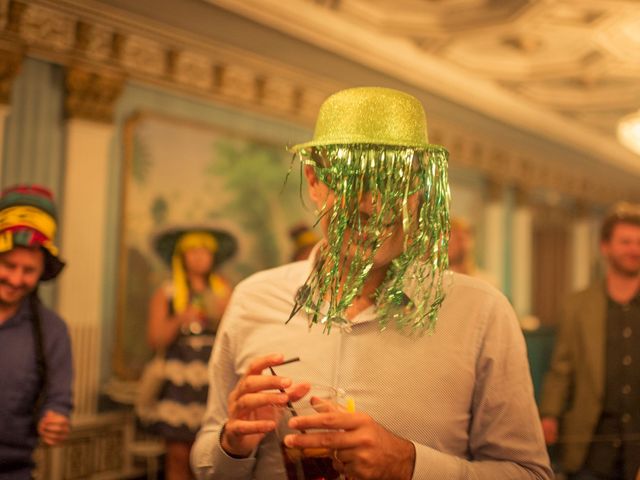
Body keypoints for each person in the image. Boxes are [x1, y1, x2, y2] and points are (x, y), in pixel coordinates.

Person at [191, 86, 552, 479]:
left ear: (419, 192)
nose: (373, 206)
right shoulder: (252, 300)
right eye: (354, 183)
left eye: (395, 183)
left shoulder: (481, 313)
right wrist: (232, 444)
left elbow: (529, 473)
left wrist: (410, 464)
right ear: (314, 182)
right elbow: (208, 458)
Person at [539, 202, 640, 480]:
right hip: (591, 448)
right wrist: (549, 415)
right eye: (626, 242)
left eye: (639, 242)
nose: (634, 249)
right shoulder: (577, 305)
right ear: (605, 247)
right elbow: (562, 368)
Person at [143, 226, 236, 480]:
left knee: (211, 455)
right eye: (192, 251)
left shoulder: (224, 291)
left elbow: (238, 335)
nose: (199, 257)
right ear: (181, 256)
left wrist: (225, 311)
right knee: (178, 454)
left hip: (213, 379)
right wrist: (180, 319)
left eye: (204, 251)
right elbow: (155, 339)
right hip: (178, 381)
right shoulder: (167, 292)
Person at [0, 185, 73, 479]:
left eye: (28, 270)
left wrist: (56, 419)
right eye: (8, 265)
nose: (16, 279)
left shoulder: (53, 331)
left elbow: (58, 400)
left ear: (42, 271)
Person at [448, 217, 497, 287]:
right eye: (449, 240)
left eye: (458, 239)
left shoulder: (487, 282)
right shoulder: (437, 283)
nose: (452, 245)